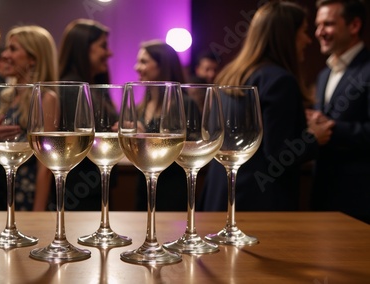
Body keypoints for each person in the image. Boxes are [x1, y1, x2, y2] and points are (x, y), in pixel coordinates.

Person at [198, 1, 335, 212]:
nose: (308, 40)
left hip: (220, 196)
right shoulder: (280, 80)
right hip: (257, 204)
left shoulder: (231, 75)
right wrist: (313, 137)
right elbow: (279, 156)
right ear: (287, 36)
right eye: (304, 31)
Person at [309, 0, 370, 223]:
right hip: (324, 194)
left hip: (359, 200)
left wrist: (331, 127)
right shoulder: (324, 74)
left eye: (328, 24)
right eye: (318, 25)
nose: (319, 32)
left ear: (354, 25)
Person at [53, 18, 113, 211]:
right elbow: (77, 141)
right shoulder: (72, 88)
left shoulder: (90, 86)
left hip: (91, 186)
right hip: (79, 190)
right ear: (83, 48)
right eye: (103, 46)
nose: (109, 53)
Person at [0, 25, 59, 211]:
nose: (5, 55)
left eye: (13, 49)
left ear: (33, 59)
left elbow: (45, 163)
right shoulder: (7, 96)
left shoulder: (46, 98)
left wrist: (37, 212)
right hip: (2, 188)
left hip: (28, 192)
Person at [133, 39, 189, 211]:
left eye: (143, 61)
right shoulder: (141, 106)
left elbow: (191, 149)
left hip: (172, 188)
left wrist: (147, 138)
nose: (137, 67)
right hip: (144, 184)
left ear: (162, 65)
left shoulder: (184, 104)